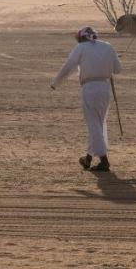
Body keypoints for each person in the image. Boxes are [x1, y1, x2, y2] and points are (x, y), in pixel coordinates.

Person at [50, 25, 122, 172]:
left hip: (90, 89)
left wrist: (55, 83)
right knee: (98, 124)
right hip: (104, 88)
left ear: (81, 38)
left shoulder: (81, 48)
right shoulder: (108, 47)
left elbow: (68, 66)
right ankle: (88, 158)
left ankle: (104, 160)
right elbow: (118, 69)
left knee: (94, 125)